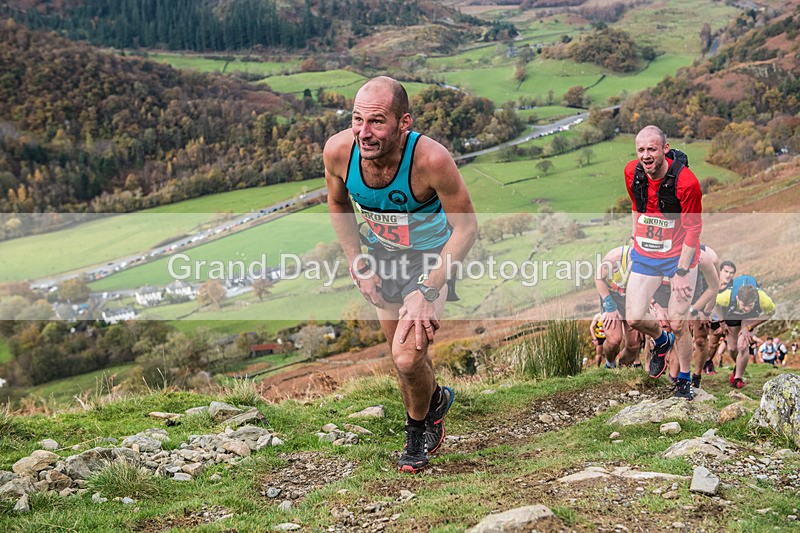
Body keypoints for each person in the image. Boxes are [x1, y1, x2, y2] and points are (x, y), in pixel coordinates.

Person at [324, 76, 477, 473]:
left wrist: (427, 288)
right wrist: (359, 263)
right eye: (357, 119)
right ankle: (437, 399)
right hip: (381, 258)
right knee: (404, 358)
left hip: (431, 260)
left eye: (376, 121)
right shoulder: (339, 153)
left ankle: (415, 438)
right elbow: (338, 204)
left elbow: (467, 228)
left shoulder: (431, 160)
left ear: (403, 123)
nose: (364, 132)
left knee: (407, 359)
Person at [624, 125, 703, 400]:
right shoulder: (632, 173)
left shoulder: (687, 183)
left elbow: (694, 230)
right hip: (647, 253)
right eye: (641, 150)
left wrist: (681, 271)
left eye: (652, 149)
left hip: (680, 255)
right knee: (634, 317)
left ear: (665, 149)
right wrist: (635, 237)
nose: (646, 156)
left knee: (679, 322)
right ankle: (660, 340)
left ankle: (684, 380)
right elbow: (636, 205)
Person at [715, 282, 775, 388]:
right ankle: (738, 367)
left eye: (750, 305)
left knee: (742, 346)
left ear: (755, 300)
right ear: (737, 298)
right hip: (732, 315)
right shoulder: (727, 296)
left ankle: (738, 378)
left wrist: (749, 327)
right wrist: (722, 323)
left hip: (750, 318)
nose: (746, 309)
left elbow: (771, 313)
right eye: (744, 305)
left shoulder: (764, 299)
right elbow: (715, 304)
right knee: (732, 349)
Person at [594, 243, 644, 368]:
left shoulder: (652, 260)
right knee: (614, 340)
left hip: (633, 299)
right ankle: (610, 364)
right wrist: (610, 305)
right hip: (612, 296)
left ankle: (622, 370)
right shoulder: (615, 257)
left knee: (634, 344)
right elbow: (598, 278)